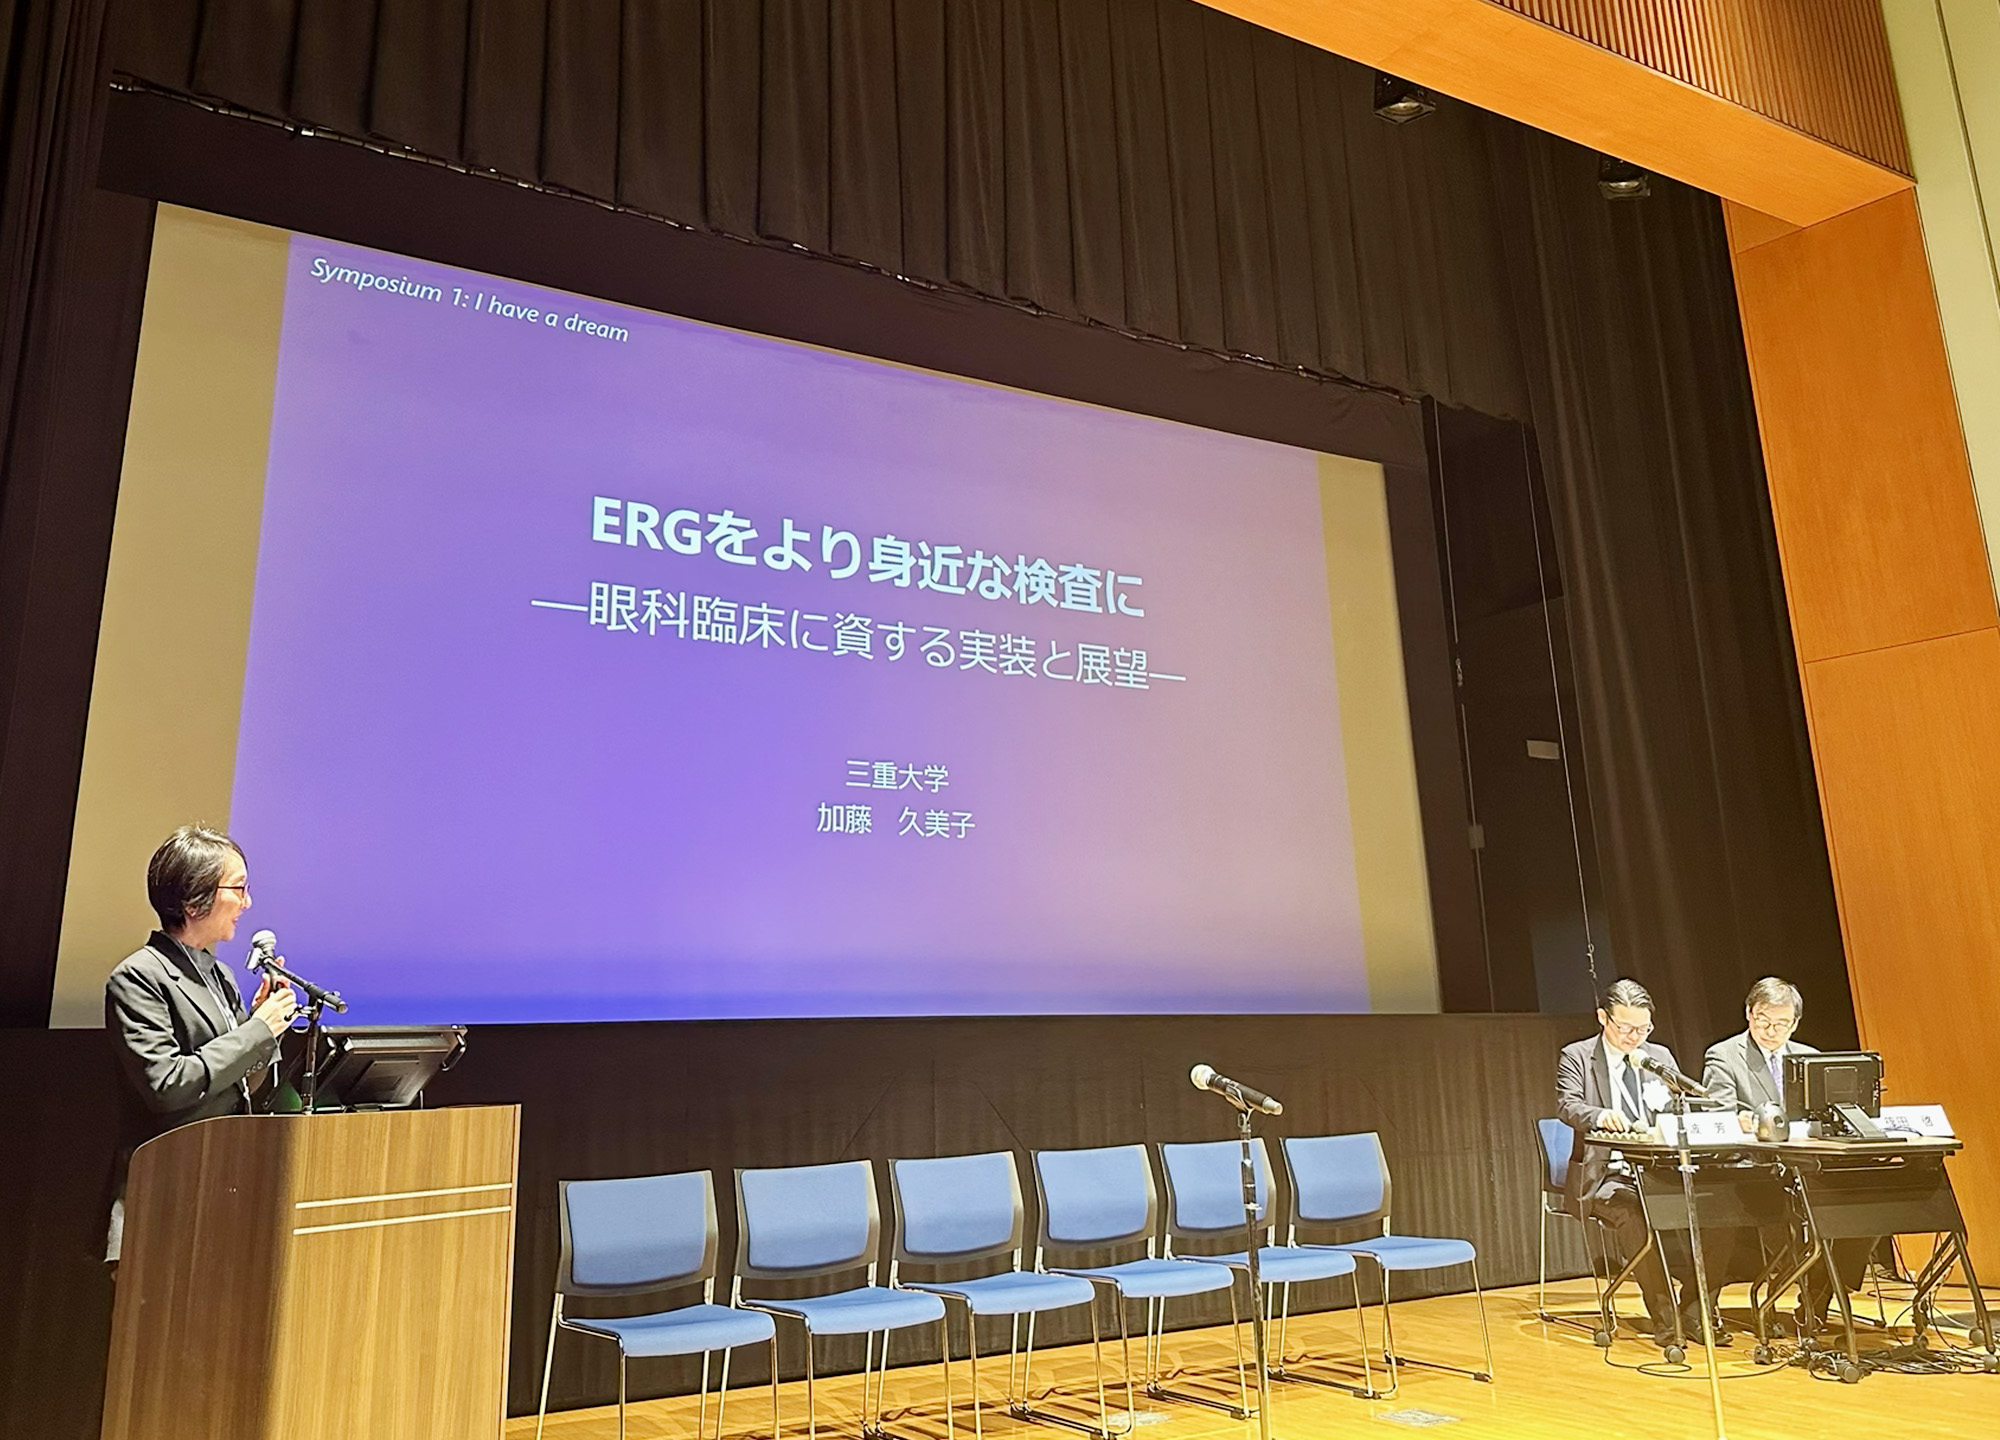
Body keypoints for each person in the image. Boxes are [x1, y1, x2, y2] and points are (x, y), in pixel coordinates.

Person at [102, 824, 296, 1262]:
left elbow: (243, 1089)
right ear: (194, 901)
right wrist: (254, 1032)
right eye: (238, 888)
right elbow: (167, 1086)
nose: (247, 902)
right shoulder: (138, 977)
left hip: (224, 1185)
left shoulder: (220, 976)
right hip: (164, 1195)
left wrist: (264, 1029)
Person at [1556, 979, 1726, 1348]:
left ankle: (1695, 1311)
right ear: (1603, 1018)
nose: (1635, 1037)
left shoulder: (1658, 1057)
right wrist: (1600, 1115)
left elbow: (1684, 1106)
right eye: (1626, 1028)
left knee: (1722, 1209)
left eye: (1643, 1028)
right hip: (1608, 1175)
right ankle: (1666, 1323)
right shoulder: (1578, 1056)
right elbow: (1567, 1105)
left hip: (1659, 1170)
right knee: (1636, 1215)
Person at [1701, 976, 1869, 1330]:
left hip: (1807, 1165)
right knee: (1786, 1219)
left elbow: (1826, 1116)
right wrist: (1748, 1123)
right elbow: (1719, 1117)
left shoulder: (1810, 1058)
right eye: (1763, 1020)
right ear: (1749, 1013)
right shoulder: (1724, 1056)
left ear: (1795, 1023)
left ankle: (1817, 1300)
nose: (1771, 1030)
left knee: (1865, 1211)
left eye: (1781, 1023)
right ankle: (1777, 1296)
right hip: (1755, 1169)